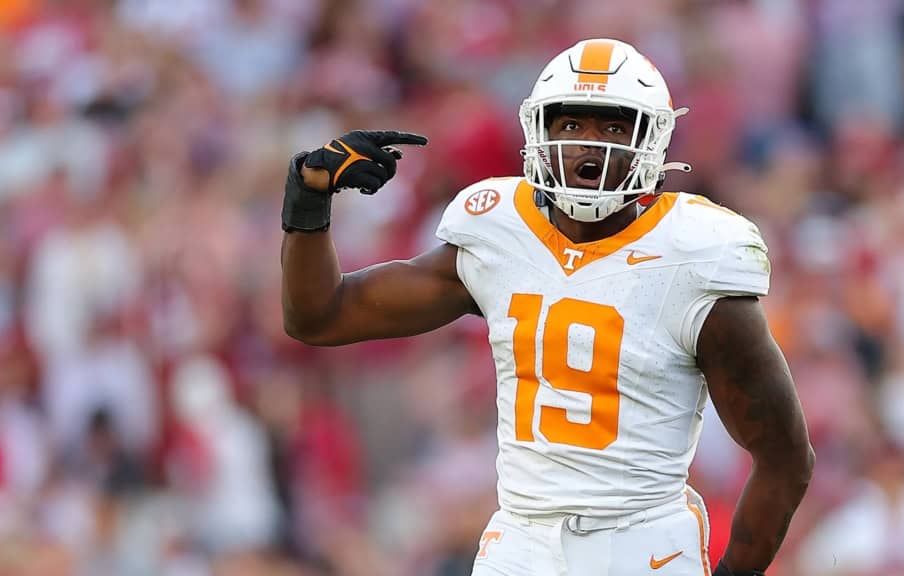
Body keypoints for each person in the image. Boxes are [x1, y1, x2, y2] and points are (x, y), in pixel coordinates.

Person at [280, 38, 814, 576]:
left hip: (643, 544)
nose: (590, 146)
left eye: (613, 128)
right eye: (572, 125)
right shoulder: (499, 233)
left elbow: (785, 459)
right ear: (539, 132)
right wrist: (309, 197)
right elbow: (319, 316)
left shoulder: (693, 255)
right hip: (520, 543)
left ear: (652, 140)